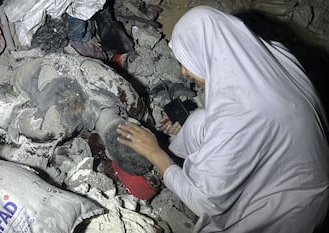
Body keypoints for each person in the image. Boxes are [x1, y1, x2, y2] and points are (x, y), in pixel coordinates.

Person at [116, 5, 329, 233]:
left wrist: (154, 153)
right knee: (198, 122)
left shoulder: (238, 117)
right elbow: (236, 114)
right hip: (292, 161)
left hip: (291, 210)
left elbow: (205, 204)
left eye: (186, 62)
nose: (184, 72)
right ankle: (179, 169)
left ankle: (178, 177)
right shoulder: (272, 53)